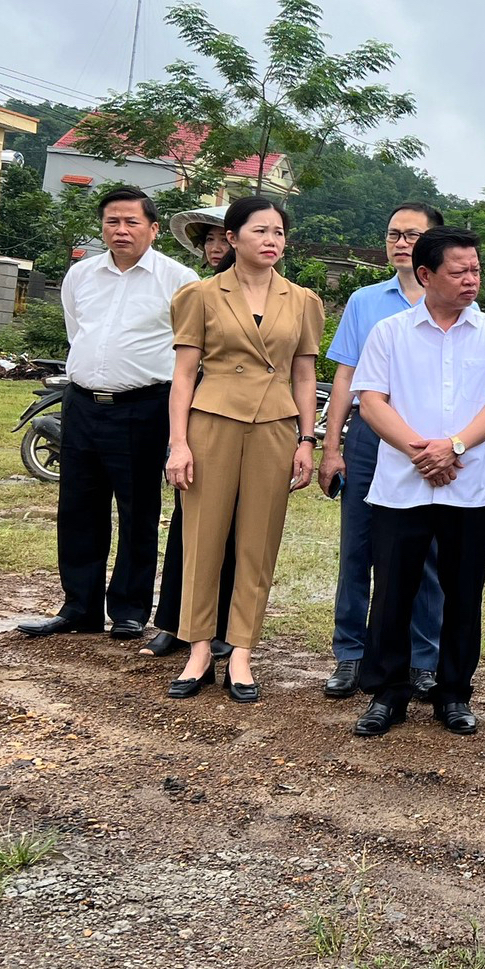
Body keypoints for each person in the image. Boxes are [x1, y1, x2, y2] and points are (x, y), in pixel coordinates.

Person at [349, 228, 485, 738]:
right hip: (402, 485)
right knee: (393, 592)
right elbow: (372, 401)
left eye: (475, 270)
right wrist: (419, 451)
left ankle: (453, 694)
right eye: (459, 271)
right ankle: (387, 693)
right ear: (425, 275)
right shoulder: (391, 333)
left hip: (469, 485)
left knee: (463, 593)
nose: (472, 280)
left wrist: (455, 446)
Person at [162, 196, 324, 704]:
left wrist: (306, 439)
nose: (271, 240)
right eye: (260, 231)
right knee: (202, 538)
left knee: (258, 543)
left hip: (275, 428)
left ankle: (243, 653)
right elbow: (184, 374)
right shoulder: (201, 295)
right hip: (212, 422)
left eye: (278, 232)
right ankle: (199, 648)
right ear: (232, 238)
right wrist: (178, 444)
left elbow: (304, 375)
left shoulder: (303, 301)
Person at [20, 186, 197, 643]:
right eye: (112, 222)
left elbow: (189, 350)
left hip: (144, 406)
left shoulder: (178, 280)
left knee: (138, 509)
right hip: (81, 404)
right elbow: (77, 331)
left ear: (154, 229)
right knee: (78, 507)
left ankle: (129, 609)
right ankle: (79, 607)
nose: (120, 231)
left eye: (131, 222)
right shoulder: (81, 275)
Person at [316, 203, 449, 701]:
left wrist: (446, 448)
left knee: (426, 555)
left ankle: (422, 660)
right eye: (393, 233)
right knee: (358, 549)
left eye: (412, 234)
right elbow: (345, 377)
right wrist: (333, 447)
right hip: (371, 441)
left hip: (427, 445)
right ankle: (351, 655)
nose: (399, 242)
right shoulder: (365, 301)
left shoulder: (459, 301)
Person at [144, 212, 240, 660]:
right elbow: (183, 369)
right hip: (201, 414)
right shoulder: (196, 295)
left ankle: (223, 625)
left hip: (249, 423)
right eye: (210, 241)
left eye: (224, 239)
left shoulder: (275, 296)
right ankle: (175, 622)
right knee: (189, 523)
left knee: (240, 529)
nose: (216, 247)